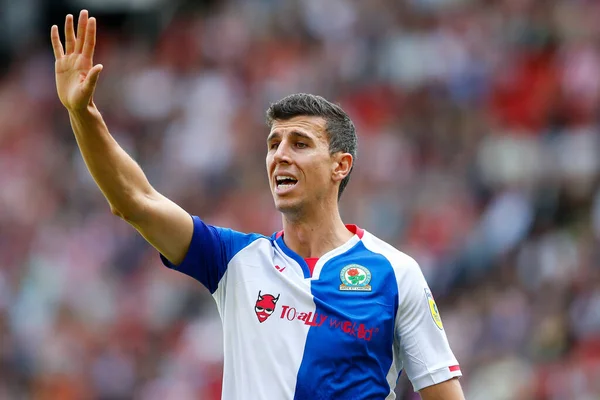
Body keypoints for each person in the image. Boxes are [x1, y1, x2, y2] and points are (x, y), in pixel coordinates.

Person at [51, 10, 465, 400]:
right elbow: (134, 200)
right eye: (273, 144)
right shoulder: (234, 260)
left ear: (341, 165)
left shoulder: (396, 273)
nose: (280, 155)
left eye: (300, 144)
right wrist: (82, 113)